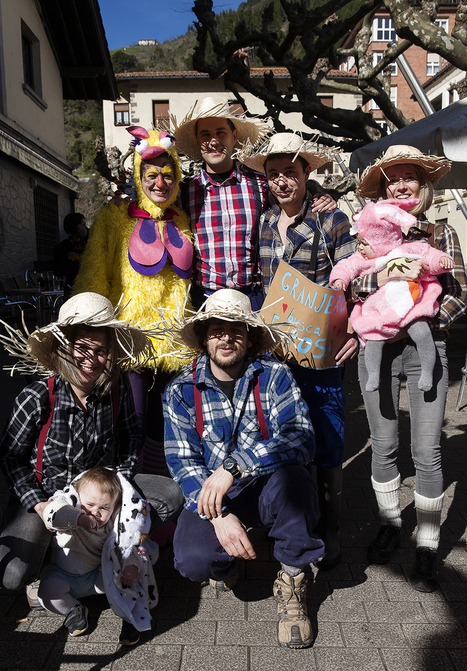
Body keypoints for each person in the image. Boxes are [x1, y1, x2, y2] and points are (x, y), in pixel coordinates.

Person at [163, 289, 323, 649]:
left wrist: (234, 466)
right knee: (193, 561)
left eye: (236, 329)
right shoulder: (180, 390)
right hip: (211, 494)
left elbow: (301, 439)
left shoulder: (275, 376)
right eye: (217, 330)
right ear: (204, 338)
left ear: (250, 338)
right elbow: (182, 462)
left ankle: (293, 580)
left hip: (266, 485)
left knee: (297, 483)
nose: (226, 338)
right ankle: (226, 564)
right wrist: (218, 516)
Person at [0, 291, 184, 603]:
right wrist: (40, 505)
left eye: (100, 351)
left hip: (99, 491)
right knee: (13, 574)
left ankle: (110, 549)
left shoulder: (117, 388)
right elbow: (11, 458)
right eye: (82, 348)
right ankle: (52, 558)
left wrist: (120, 486)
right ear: (64, 348)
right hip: (48, 495)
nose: (91, 359)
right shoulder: (36, 397)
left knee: (169, 495)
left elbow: (130, 436)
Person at [241, 132, 359, 570]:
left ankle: (331, 527)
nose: (281, 181)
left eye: (290, 172)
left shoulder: (334, 220)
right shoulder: (264, 222)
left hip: (322, 346)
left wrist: (356, 330)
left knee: (327, 428)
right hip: (276, 348)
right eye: (273, 174)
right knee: (287, 429)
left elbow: (358, 278)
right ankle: (299, 521)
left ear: (307, 172)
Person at [354, 144, 467, 592]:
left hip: (426, 349)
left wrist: (416, 322)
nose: (401, 185)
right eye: (393, 179)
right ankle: (390, 524)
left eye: (410, 177)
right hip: (377, 349)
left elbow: (458, 296)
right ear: (384, 190)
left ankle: (427, 542)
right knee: (383, 445)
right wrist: (383, 281)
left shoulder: (442, 233)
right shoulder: (372, 231)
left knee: (427, 452)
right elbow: (355, 283)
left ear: (424, 186)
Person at [72, 127, 194, 470]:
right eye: (151, 176)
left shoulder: (182, 220)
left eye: (168, 175)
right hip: (130, 341)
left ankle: (159, 489)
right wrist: (88, 333)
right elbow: (94, 276)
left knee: (166, 424)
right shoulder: (114, 217)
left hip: (173, 343)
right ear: (139, 178)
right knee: (132, 423)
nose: (160, 183)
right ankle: (127, 485)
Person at [173, 98, 335, 310]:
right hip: (204, 298)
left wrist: (318, 195)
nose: (213, 141)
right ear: (197, 140)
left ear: (234, 136)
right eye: (205, 134)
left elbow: (294, 200)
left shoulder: (260, 184)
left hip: (254, 298)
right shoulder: (184, 191)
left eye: (220, 132)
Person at [330, 197, 454, 392]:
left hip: (410, 305)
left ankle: (427, 371)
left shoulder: (406, 248)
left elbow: (429, 254)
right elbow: (345, 267)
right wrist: (340, 279)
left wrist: (442, 260)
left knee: (422, 333)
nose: (360, 248)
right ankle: (373, 376)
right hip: (379, 311)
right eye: (359, 243)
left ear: (381, 241)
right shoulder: (361, 259)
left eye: (365, 243)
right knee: (373, 339)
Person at [39, 467, 158, 645]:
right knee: (47, 593)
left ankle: (131, 617)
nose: (95, 512)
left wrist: (131, 566)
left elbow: (128, 543)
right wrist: (78, 518)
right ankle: (73, 609)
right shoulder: (69, 506)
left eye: (103, 508)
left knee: (129, 580)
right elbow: (52, 513)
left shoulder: (114, 523)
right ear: (78, 497)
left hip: (98, 575)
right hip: (63, 576)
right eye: (90, 505)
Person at [54, 213, 88, 298]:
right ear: (76, 227)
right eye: (83, 225)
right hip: (72, 289)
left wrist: (85, 238)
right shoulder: (63, 247)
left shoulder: (88, 244)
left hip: (89, 288)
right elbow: (59, 271)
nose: (86, 228)